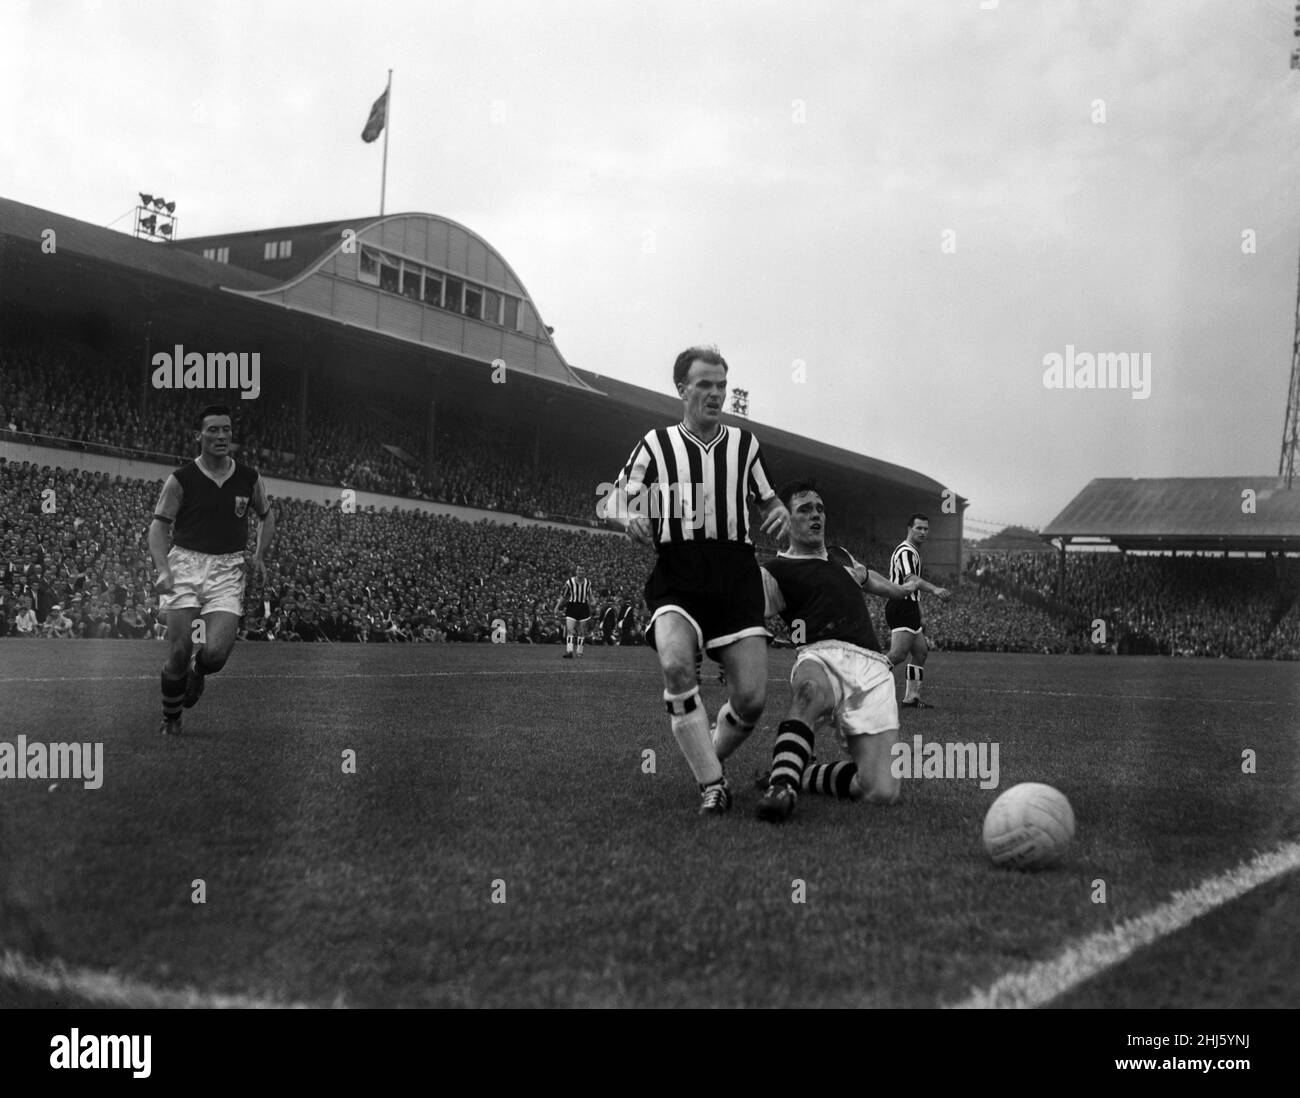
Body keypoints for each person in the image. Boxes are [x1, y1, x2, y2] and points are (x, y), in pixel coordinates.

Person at [605, 345, 789, 815]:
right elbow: (612, 500)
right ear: (682, 389)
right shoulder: (655, 444)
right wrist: (628, 518)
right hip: (679, 572)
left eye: (721, 385)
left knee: (750, 699)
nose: (715, 393)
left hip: (734, 574)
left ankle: (703, 748)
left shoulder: (745, 446)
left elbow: (768, 501)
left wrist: (780, 512)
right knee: (675, 666)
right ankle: (712, 782)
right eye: (704, 384)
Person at [754, 481, 919, 823]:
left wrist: (901, 590)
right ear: (787, 519)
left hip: (873, 668)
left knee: (880, 791)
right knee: (809, 691)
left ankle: (798, 774)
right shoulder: (774, 571)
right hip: (821, 654)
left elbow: (868, 578)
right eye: (804, 509)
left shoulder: (841, 555)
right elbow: (746, 609)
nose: (815, 514)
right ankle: (781, 787)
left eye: (820, 508)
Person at [148, 404, 275, 735]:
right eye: (214, 430)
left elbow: (266, 515)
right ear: (198, 436)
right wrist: (163, 568)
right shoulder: (181, 479)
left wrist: (259, 554)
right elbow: (158, 527)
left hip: (228, 568)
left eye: (227, 429)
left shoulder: (249, 478)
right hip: (185, 564)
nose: (222, 435)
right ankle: (171, 719)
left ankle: (199, 672)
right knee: (179, 650)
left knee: (216, 654)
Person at [884, 513, 951, 708]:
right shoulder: (906, 551)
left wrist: (919, 610)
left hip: (909, 606)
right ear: (909, 528)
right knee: (897, 655)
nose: (923, 532)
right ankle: (861, 686)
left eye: (925, 529)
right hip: (901, 605)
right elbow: (911, 579)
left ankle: (911, 698)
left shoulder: (913, 551)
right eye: (918, 528)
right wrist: (935, 589)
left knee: (921, 652)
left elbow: (913, 588)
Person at [553, 565, 592, 659]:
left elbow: (590, 594)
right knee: (570, 629)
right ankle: (569, 651)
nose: (580, 572)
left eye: (582, 570)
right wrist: (557, 607)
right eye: (579, 570)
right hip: (572, 606)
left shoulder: (588, 583)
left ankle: (579, 652)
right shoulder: (569, 582)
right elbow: (564, 596)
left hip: (583, 607)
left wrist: (593, 601)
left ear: (585, 572)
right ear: (576, 571)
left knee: (581, 631)